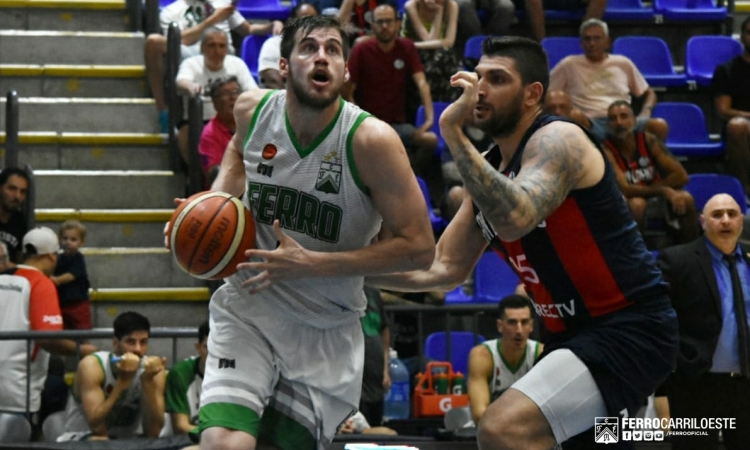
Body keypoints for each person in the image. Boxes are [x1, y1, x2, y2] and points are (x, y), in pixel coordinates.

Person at [368, 36, 678, 449]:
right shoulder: (489, 166)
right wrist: (346, 273)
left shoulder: (559, 140)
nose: (480, 89)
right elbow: (443, 269)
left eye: (497, 79)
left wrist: (451, 131)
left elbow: (516, 218)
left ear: (533, 94)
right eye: (478, 77)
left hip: (628, 326)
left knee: (501, 429)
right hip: (568, 336)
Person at [191, 14, 434, 450]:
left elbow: (419, 249)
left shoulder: (371, 141)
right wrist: (214, 203)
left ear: (345, 71)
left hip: (325, 329)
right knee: (224, 443)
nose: (321, 56)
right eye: (309, 47)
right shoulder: (252, 110)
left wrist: (313, 263)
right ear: (284, 66)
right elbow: (236, 151)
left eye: (333, 50)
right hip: (249, 307)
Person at [657, 193, 750, 450]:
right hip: (696, 385)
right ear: (702, 221)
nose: (725, 220)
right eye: (717, 215)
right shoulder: (678, 261)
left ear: (741, 220)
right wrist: (664, 385)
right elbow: (658, 323)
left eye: (732, 214)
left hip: (745, 386)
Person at [0, 227, 97, 418]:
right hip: (19, 387)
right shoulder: (41, 284)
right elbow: (48, 338)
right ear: (52, 257)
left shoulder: (5, 278)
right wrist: (84, 349)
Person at [145, 0, 280, 132]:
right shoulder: (171, 11)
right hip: (190, 53)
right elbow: (177, 41)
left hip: (225, 53)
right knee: (153, 41)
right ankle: (163, 111)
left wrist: (272, 25)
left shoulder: (223, 3)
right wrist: (213, 20)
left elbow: (248, 29)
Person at [346, 4, 438, 175]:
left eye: (389, 21)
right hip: (367, 123)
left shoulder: (406, 47)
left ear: (398, 23)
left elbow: (422, 83)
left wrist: (429, 118)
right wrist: (361, 121)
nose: (385, 26)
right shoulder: (361, 49)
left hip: (397, 125)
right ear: (372, 25)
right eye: (380, 22)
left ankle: (410, 173)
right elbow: (348, 93)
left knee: (430, 140)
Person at [549, 19, 667, 143]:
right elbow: (548, 93)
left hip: (623, 118)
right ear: (581, 44)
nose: (592, 43)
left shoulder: (623, 63)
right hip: (590, 122)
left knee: (659, 125)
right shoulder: (569, 64)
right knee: (574, 116)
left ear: (607, 42)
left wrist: (646, 111)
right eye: (587, 39)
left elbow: (649, 93)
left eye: (597, 38)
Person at [603, 100, 699, 244]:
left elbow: (681, 176)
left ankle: (693, 249)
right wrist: (663, 189)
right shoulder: (606, 149)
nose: (619, 122)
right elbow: (626, 189)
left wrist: (659, 191)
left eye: (624, 116)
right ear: (608, 125)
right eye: (613, 119)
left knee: (685, 198)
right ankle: (635, 251)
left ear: (634, 120)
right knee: (637, 204)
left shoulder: (648, 140)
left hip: (657, 196)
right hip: (629, 201)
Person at [62, 311, 167, 441]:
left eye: (143, 342)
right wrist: (122, 382)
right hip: (83, 438)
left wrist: (147, 383)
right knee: (101, 441)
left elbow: (153, 432)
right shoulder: (92, 366)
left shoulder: (152, 372)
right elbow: (97, 427)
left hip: (129, 442)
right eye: (130, 342)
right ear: (115, 342)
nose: (138, 349)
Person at [176, 27, 258, 163]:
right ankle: (197, 173)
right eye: (212, 46)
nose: (217, 51)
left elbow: (253, 92)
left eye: (222, 46)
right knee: (184, 132)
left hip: (233, 121)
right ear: (202, 48)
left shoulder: (237, 64)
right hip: (199, 121)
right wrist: (192, 87)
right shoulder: (191, 63)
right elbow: (181, 82)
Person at [467, 294, 543, 425]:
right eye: (512, 322)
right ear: (500, 326)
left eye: (524, 322)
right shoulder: (482, 355)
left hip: (527, 430)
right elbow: (479, 415)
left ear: (531, 325)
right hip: (490, 430)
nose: (519, 330)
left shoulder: (541, 354)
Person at [713, 17, 750, 197]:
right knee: (737, 126)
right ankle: (745, 191)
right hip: (743, 126)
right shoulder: (727, 70)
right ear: (741, 37)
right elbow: (723, 110)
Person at [401, 0, 461, 103]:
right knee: (443, 58)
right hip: (412, 54)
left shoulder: (451, 6)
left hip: (435, 53)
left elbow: (450, 42)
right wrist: (438, 13)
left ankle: (448, 104)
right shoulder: (412, 5)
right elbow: (428, 41)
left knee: (446, 57)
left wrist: (439, 11)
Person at [258, 2, 320, 90]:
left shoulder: (321, 50)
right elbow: (272, 82)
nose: (308, 27)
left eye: (312, 22)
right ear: (291, 23)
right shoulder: (273, 44)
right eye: (303, 21)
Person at [165, 321, 209, 435]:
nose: (214, 355)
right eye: (208, 348)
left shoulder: (236, 375)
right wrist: (216, 436)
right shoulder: (181, 373)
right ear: (198, 348)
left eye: (220, 349)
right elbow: (181, 426)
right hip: (186, 441)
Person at [198, 77, 241, 184]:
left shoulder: (253, 124)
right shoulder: (209, 133)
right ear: (215, 102)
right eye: (225, 93)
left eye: (235, 92)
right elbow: (213, 173)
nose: (232, 97)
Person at [359, 287, 391, 427]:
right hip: (352, 377)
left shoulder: (373, 292)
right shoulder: (338, 290)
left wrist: (385, 370)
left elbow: (384, 329)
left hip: (375, 372)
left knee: (375, 426)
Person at [51, 220, 92, 330]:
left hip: (78, 303)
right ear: (59, 240)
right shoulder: (58, 258)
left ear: (81, 242)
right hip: (62, 303)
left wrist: (57, 280)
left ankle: (83, 341)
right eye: (65, 238)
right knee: (63, 330)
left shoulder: (78, 258)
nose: (68, 242)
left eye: (73, 239)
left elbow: (72, 275)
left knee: (82, 329)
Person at [0, 167, 29, 265]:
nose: (17, 196)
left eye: (22, 191)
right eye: (12, 189)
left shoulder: (20, 220)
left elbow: (20, 261)